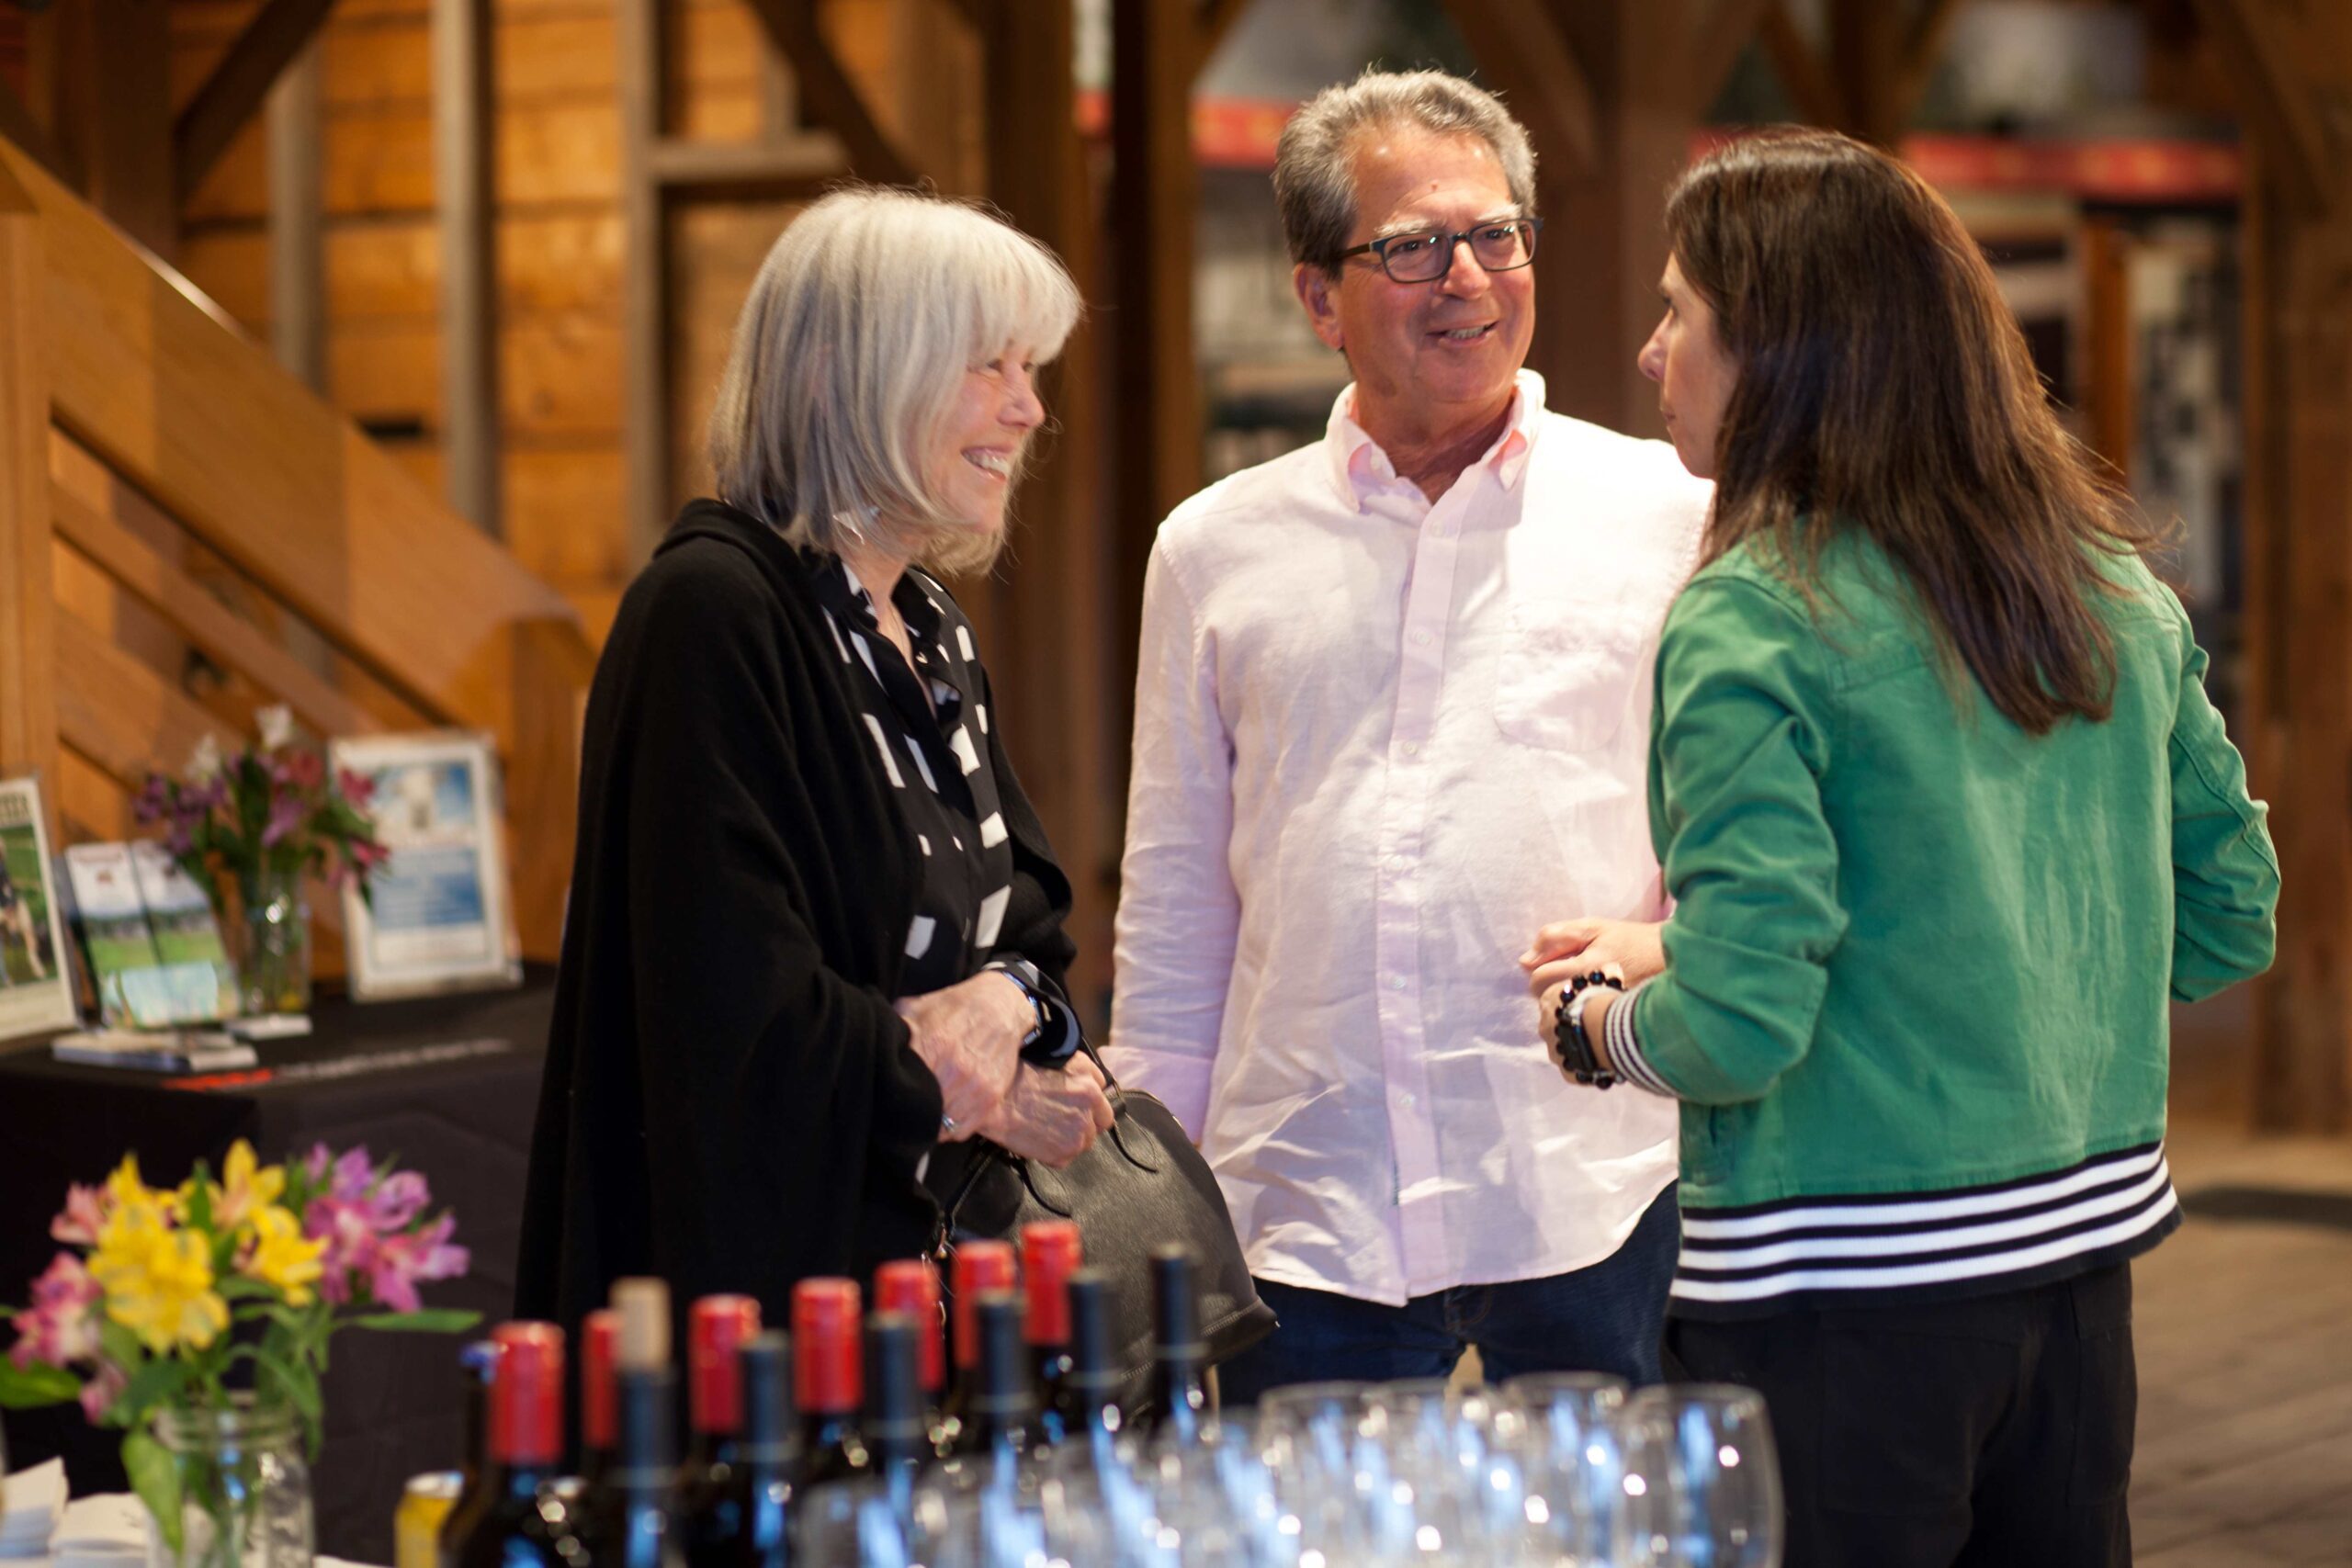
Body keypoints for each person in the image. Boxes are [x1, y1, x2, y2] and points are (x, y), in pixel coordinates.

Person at [1527, 129, 2278, 1567]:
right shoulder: (2111, 584)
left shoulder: (1755, 612)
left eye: (1680, 311)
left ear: (1782, 351)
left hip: (1836, 1297)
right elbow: (2222, 914)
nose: (1646, 349)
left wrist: (1595, 1023)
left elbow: (1742, 1027)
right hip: (2078, 1275)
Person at [1104, 69, 1712, 1400]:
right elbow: (1173, 916)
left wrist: (1684, 950)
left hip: (1597, 1183)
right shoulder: (1212, 550)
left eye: (1497, 234)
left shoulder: (1668, 511)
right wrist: (1155, 1208)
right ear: (1317, 295)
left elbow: (1730, 831)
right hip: (1308, 1203)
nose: (1470, 277)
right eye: (1413, 247)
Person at [517, 188, 1115, 1337]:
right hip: (764, 1327)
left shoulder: (925, 621)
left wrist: (1000, 1011)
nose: (1029, 407)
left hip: (929, 1301)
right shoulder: (711, 612)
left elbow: (1034, 927)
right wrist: (970, 1085)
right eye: (987, 365)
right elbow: (737, 1023)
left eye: (1027, 367)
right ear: (855, 373)